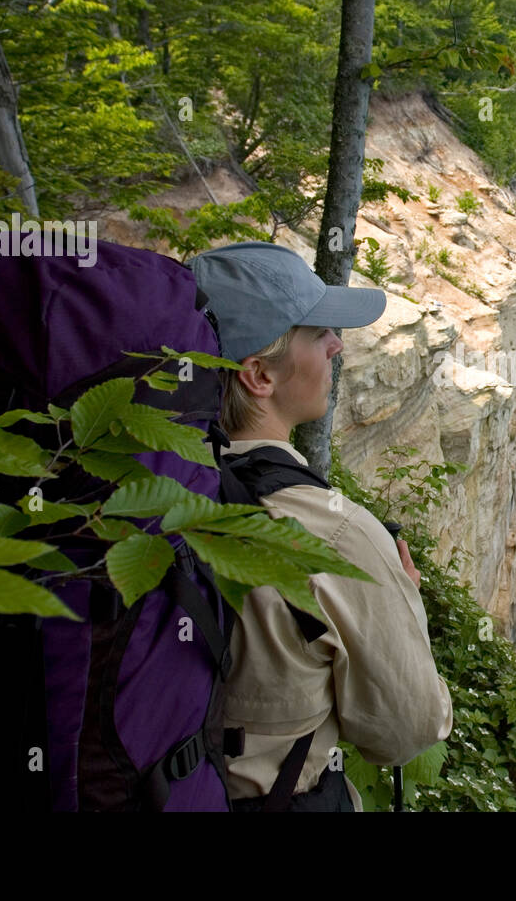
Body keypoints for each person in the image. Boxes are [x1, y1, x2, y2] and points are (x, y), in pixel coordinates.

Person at [189, 241, 453, 812]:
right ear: (258, 374)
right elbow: (407, 733)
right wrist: (406, 601)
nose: (337, 344)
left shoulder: (147, 487)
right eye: (315, 333)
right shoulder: (334, 537)